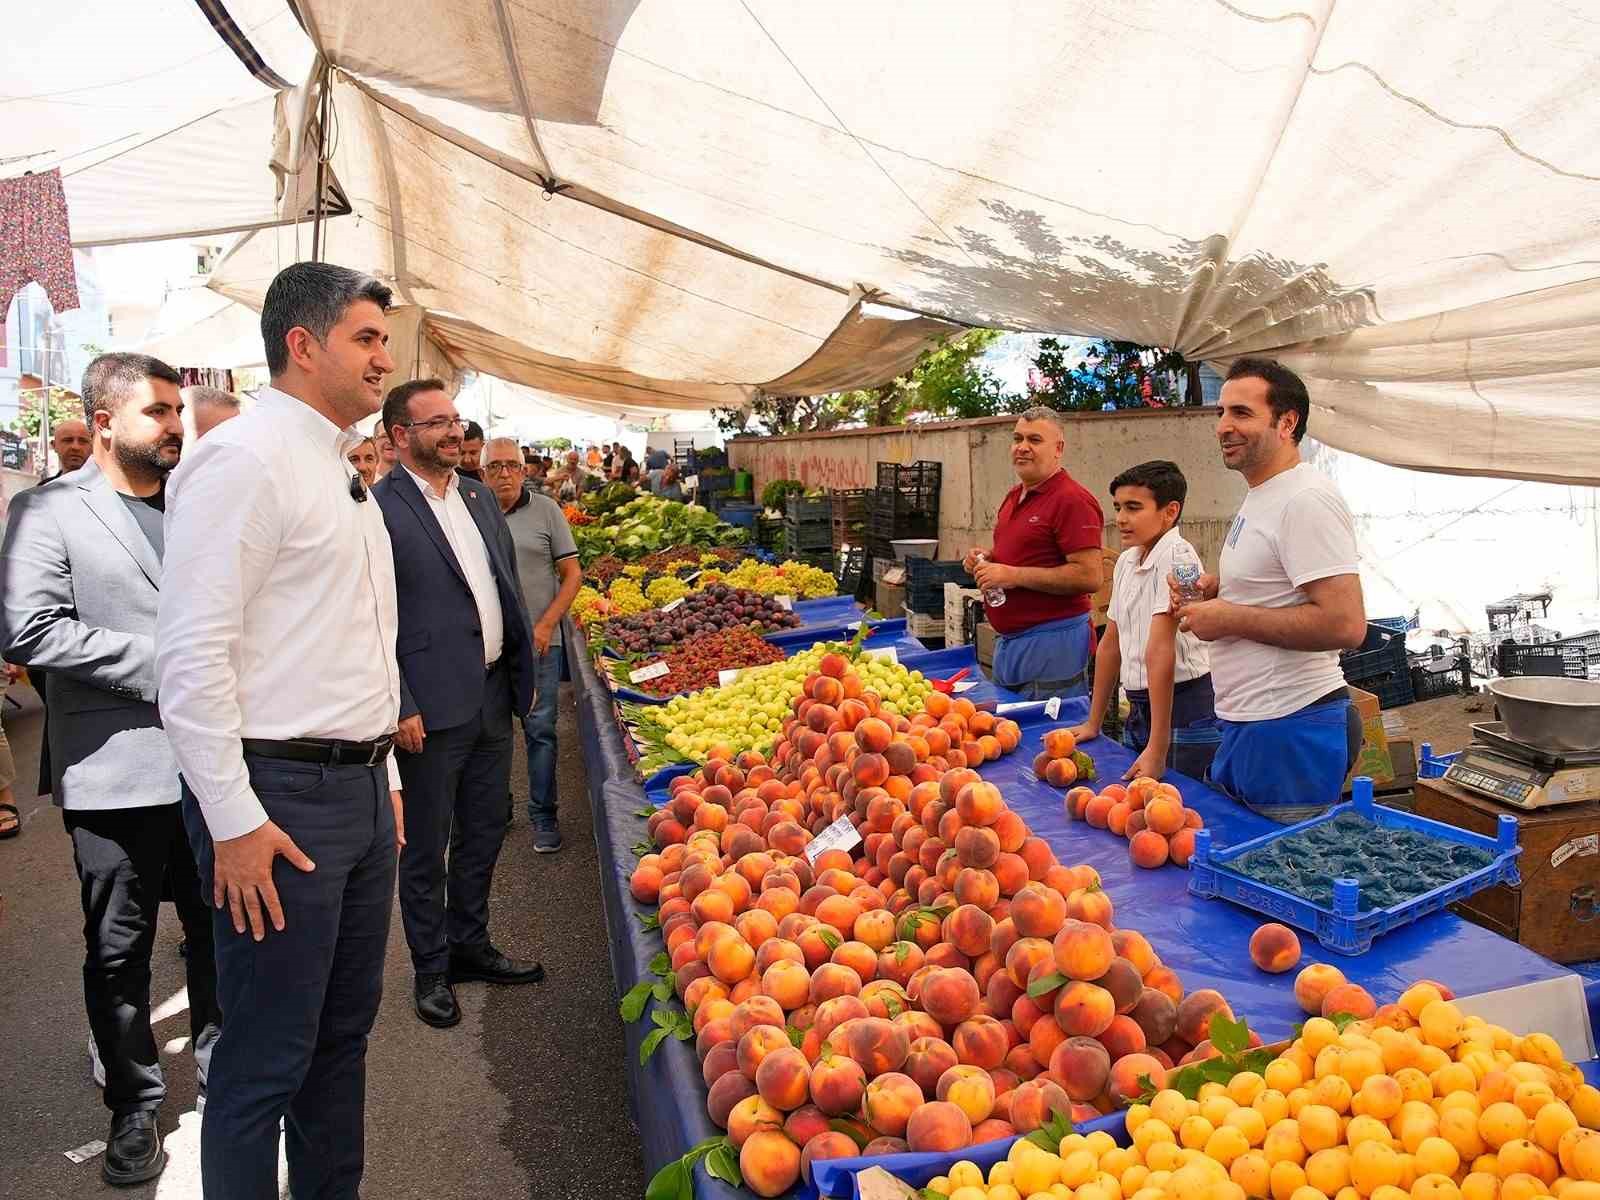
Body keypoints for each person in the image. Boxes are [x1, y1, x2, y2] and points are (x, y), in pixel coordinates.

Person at [155, 262, 406, 1200]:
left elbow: (342, 642)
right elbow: (190, 656)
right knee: (265, 1061)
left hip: (354, 794)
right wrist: (231, 819)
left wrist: (380, 780)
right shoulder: (245, 456)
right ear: (303, 346)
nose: (385, 357)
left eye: (384, 338)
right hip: (279, 804)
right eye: (366, 338)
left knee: (339, 1043)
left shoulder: (330, 462)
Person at [1, 352, 219, 1187]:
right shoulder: (47, 511)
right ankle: (134, 1104)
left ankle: (222, 1067)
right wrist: (168, 662)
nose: (175, 427)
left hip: (213, 768)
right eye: (159, 413)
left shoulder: (197, 503)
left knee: (216, 928)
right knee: (119, 946)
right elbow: (29, 629)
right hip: (114, 767)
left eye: (177, 413)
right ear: (103, 421)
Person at [375, 384, 544, 1029]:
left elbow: (502, 584)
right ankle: (430, 966)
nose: (453, 431)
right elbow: (371, 614)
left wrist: (519, 671)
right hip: (429, 707)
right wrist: (400, 700)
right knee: (424, 846)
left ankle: (470, 944)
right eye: (436, 422)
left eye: (455, 419)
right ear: (398, 435)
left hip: (492, 694)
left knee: (482, 829)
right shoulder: (380, 506)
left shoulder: (475, 494)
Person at [1172, 357, 1367, 822]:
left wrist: (1229, 617)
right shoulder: (1264, 494)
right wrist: (1222, 592)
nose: (1223, 426)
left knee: (1280, 878)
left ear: (1287, 422)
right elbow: (1281, 588)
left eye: (1241, 413)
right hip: (1258, 723)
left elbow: (1345, 623)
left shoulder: (1305, 499)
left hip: (1290, 726)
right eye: (1221, 413)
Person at [1070, 461, 1214, 781]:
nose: (1121, 518)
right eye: (1118, 507)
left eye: (1134, 508)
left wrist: (1157, 746)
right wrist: (1094, 722)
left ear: (1170, 511)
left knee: (1183, 809)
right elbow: (1111, 644)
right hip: (1140, 707)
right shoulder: (1127, 560)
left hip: (1184, 709)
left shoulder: (1180, 557)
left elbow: (1161, 650)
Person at [962, 406, 1105, 700]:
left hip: (1052, 643)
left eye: (1035, 440)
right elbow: (1025, 555)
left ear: (1058, 448)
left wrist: (1012, 575)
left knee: (1049, 736)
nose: (1022, 448)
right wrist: (987, 560)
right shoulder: (1014, 496)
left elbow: (1089, 576)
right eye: (1018, 439)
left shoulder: (1072, 500)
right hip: (1012, 642)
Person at [483, 437, 581, 852]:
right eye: (495, 467)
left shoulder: (546, 510)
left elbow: (572, 575)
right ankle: (498, 810)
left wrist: (545, 627)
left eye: (511, 466)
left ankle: (543, 816)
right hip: (489, 647)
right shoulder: (473, 510)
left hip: (540, 644)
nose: (504, 474)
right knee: (492, 733)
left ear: (525, 471)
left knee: (540, 731)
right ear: (484, 473)